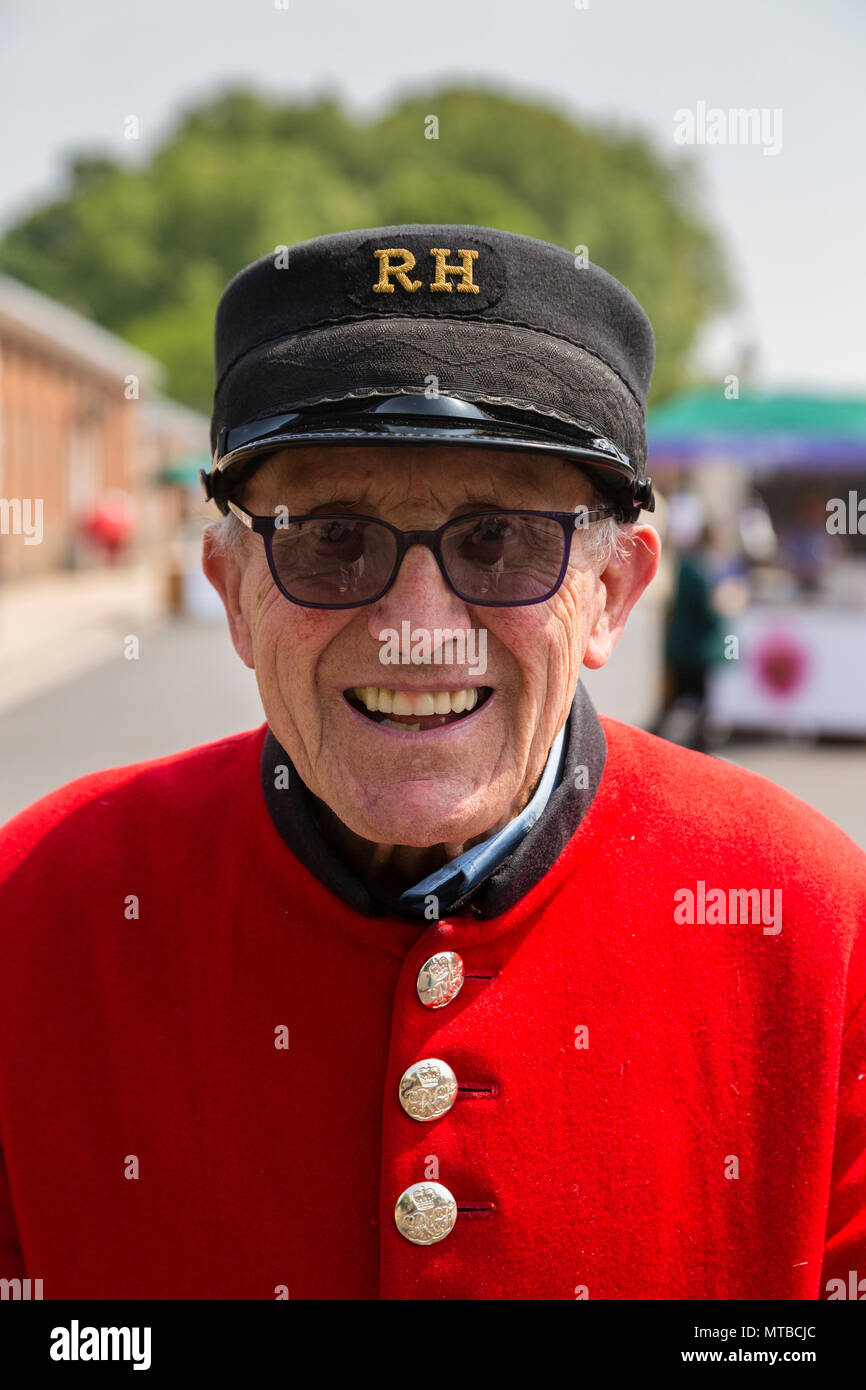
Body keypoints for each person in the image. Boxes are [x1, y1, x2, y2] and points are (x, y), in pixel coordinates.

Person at [0, 226, 863, 1301]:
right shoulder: (36, 908)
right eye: (330, 540)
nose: (419, 628)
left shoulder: (812, 929)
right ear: (229, 589)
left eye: (500, 541)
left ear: (610, 593)